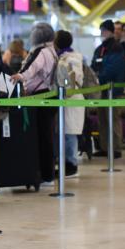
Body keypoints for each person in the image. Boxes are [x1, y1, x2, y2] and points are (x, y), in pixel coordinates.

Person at [11, 23, 59, 185]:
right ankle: (47, 173)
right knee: (47, 136)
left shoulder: (41, 51)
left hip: (40, 96)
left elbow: (32, 68)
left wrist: (20, 76)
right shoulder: (51, 51)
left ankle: (45, 175)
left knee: (42, 137)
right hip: (50, 95)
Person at [91, 20, 125, 158]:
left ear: (111, 31)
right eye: (101, 30)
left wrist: (99, 77)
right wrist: (95, 76)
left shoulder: (116, 48)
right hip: (101, 89)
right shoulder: (100, 49)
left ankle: (116, 148)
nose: (102, 33)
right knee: (102, 119)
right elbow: (94, 65)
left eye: (104, 30)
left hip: (113, 90)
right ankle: (105, 147)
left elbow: (113, 68)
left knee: (113, 118)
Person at [54, 30, 85, 178]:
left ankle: (72, 165)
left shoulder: (71, 59)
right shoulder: (64, 57)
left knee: (70, 134)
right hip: (66, 98)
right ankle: (65, 164)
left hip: (72, 98)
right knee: (65, 133)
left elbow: (73, 79)